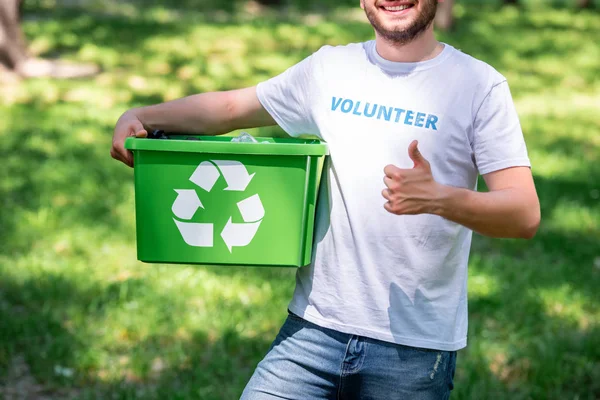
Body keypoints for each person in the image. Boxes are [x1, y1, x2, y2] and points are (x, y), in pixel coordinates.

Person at [111, 0, 541, 398]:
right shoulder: (330, 69)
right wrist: (143, 115)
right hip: (311, 333)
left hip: (413, 351)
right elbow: (230, 108)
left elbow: (523, 214)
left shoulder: (478, 85)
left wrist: (440, 199)